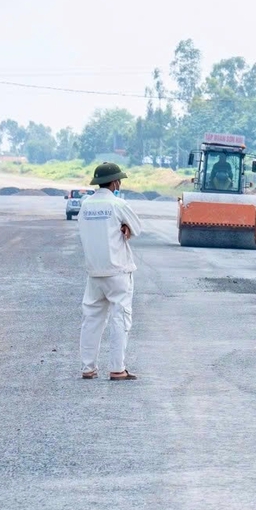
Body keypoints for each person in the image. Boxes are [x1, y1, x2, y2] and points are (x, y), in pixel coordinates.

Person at [77, 162, 144, 380]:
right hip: (118, 273)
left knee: (91, 321)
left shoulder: (85, 205)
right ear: (115, 182)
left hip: (94, 273)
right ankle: (117, 369)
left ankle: (88, 368)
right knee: (119, 319)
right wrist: (126, 227)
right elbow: (137, 227)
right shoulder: (118, 204)